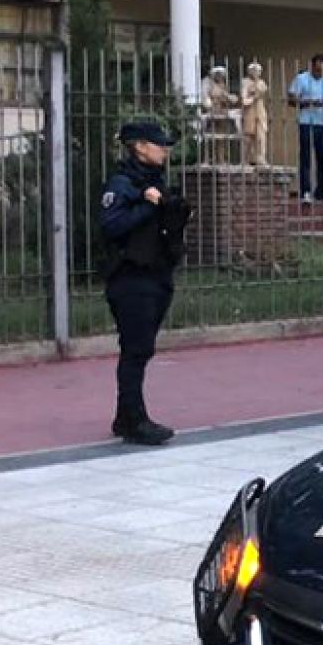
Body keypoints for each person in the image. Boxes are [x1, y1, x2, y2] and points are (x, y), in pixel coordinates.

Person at [100, 122, 193, 446]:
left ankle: (125, 415)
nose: (165, 150)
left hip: (157, 274)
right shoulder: (123, 184)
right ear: (139, 147)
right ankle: (133, 420)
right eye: (158, 145)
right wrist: (147, 204)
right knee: (136, 350)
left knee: (141, 350)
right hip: (131, 278)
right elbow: (112, 226)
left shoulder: (155, 183)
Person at [289, 54, 323, 202]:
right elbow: (291, 99)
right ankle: (305, 191)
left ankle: (322, 191)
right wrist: (307, 101)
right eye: (317, 68)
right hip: (306, 122)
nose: (320, 71)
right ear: (312, 66)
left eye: (322, 68)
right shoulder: (302, 79)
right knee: (306, 157)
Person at [240, 62, 270, 167]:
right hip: (249, 111)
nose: (256, 73)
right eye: (254, 71)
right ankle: (246, 159)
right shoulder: (245, 82)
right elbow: (244, 99)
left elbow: (263, 90)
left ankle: (260, 157)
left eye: (258, 71)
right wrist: (253, 96)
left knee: (261, 135)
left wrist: (257, 93)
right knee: (248, 136)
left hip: (260, 110)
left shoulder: (261, 83)